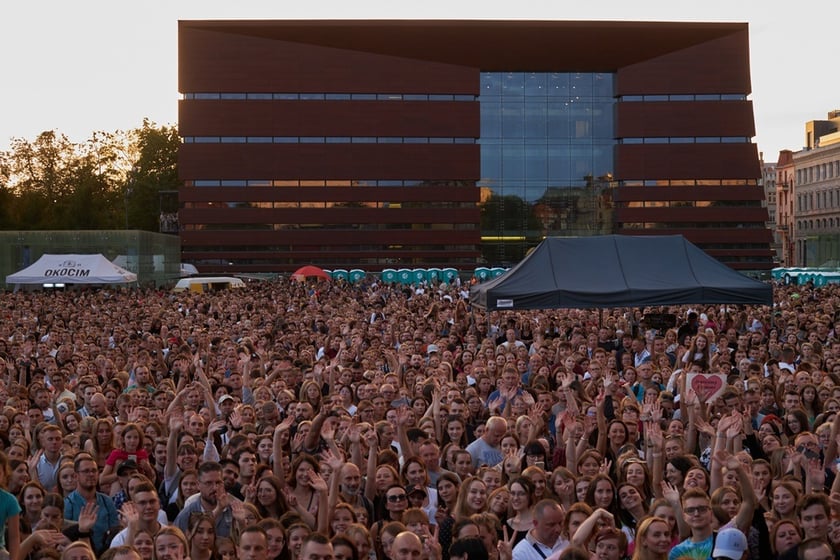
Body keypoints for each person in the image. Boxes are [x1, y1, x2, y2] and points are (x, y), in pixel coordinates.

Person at [63, 453, 119, 556]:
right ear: (76, 476)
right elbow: (66, 536)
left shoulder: (107, 501)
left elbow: (114, 531)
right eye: (86, 471)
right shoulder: (68, 503)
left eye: (94, 471)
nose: (91, 474)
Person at [174, 461, 238, 538]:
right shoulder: (186, 515)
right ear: (198, 485)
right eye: (208, 483)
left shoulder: (234, 510)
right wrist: (218, 509)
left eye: (218, 482)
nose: (214, 488)